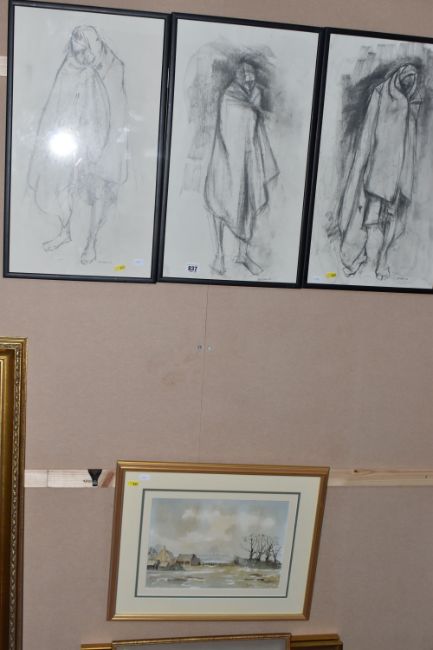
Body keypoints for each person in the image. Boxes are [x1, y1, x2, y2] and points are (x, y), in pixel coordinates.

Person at [28, 25, 128, 264]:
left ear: (94, 46)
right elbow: (58, 103)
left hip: (104, 141)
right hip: (74, 139)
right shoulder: (70, 66)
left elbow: (116, 112)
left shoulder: (114, 67)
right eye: (76, 52)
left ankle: (91, 243)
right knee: (63, 183)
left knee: (98, 190)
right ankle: (66, 231)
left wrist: (99, 145)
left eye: (83, 51)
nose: (80, 57)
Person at [338, 63, 422, 280]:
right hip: (378, 174)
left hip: (400, 176)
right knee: (371, 221)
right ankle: (365, 260)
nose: (409, 83)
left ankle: (381, 262)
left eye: (413, 79)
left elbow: (411, 143)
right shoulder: (380, 93)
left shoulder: (413, 102)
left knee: (391, 221)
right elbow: (368, 131)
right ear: (398, 76)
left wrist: (406, 176)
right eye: (406, 78)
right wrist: (364, 163)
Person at [204, 59, 279, 276]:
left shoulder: (255, 94)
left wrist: (256, 108)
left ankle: (242, 254)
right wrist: (254, 110)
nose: (249, 78)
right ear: (237, 75)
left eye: (252, 74)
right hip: (226, 159)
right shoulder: (229, 96)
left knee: (247, 205)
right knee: (219, 202)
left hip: (247, 159)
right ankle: (219, 256)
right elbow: (231, 123)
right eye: (245, 74)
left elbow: (256, 124)